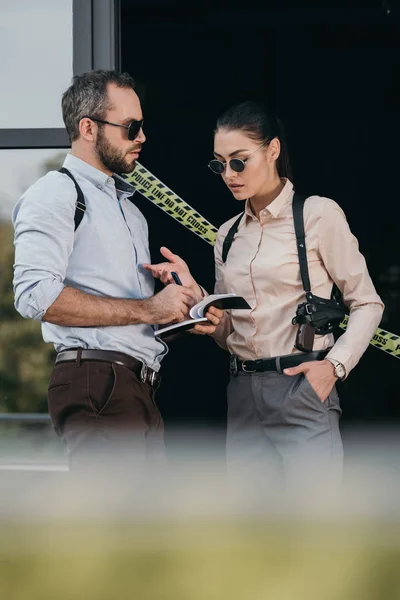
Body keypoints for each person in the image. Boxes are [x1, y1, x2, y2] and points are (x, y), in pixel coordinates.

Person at [144, 101, 384, 491]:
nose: (229, 175)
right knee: (254, 530)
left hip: (302, 385)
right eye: (219, 164)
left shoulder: (318, 215)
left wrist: (333, 367)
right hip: (241, 394)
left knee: (315, 523)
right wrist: (199, 300)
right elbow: (229, 331)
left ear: (272, 150)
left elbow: (368, 303)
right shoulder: (227, 235)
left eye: (239, 161)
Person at [12, 69, 221, 470]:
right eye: (131, 127)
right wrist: (149, 309)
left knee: (137, 529)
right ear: (88, 128)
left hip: (134, 385)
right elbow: (34, 295)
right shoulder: (56, 192)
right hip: (98, 382)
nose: (142, 137)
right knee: (112, 525)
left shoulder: (129, 209)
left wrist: (183, 306)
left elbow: (136, 316)